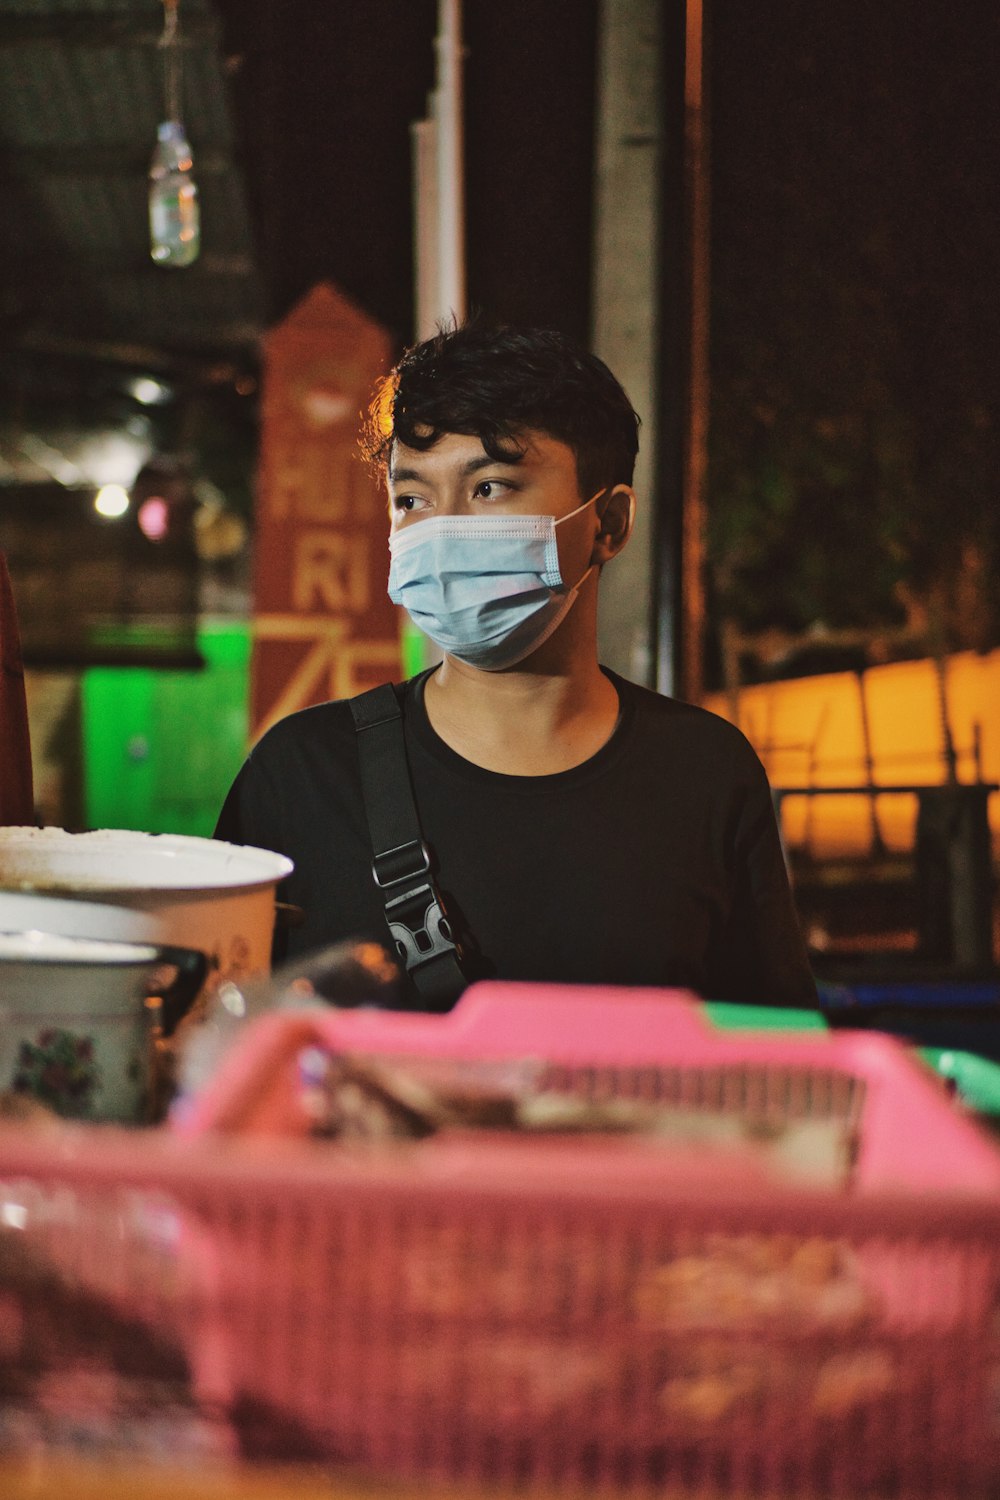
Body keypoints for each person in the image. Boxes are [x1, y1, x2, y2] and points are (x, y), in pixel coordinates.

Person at [216, 323, 817, 1009]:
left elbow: (775, 1059)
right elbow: (216, 1049)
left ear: (610, 524)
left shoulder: (706, 772)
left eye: (490, 488)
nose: (440, 529)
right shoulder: (301, 776)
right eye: (412, 498)